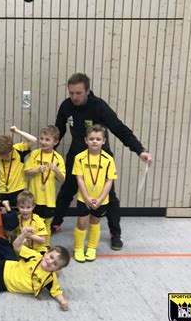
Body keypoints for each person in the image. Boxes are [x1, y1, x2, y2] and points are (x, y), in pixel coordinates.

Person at [54, 73, 153, 250]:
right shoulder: (66, 106)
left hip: (100, 159)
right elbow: (58, 132)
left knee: (109, 197)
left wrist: (140, 150)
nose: (74, 97)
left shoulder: (99, 106)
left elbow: (119, 129)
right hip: (77, 157)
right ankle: (55, 223)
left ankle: (115, 233)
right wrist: (48, 153)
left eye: (78, 93)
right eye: (71, 93)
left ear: (87, 90)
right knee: (67, 190)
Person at [72, 125, 117, 262]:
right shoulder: (79, 158)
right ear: (86, 140)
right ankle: (79, 249)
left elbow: (109, 181)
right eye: (91, 139)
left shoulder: (108, 159)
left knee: (95, 222)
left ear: (103, 141)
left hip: (101, 199)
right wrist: (86, 197)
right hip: (84, 198)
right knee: (82, 223)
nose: (95, 141)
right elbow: (79, 178)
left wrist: (101, 198)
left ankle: (91, 248)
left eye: (98, 139)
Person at [24, 125, 66, 246]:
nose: (43, 142)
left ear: (56, 142)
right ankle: (32, 245)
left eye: (47, 140)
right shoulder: (35, 154)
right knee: (33, 222)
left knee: (47, 224)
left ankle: (45, 247)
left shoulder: (58, 158)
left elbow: (63, 180)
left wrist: (56, 170)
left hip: (49, 199)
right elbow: (26, 171)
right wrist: (37, 170)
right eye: (42, 138)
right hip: (34, 198)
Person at [0, 125, 37, 207]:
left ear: (12, 148)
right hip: (2, 191)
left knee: (18, 215)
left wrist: (17, 131)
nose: (5, 157)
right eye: (2, 155)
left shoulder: (18, 149)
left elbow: (34, 140)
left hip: (18, 190)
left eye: (7, 155)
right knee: (4, 215)